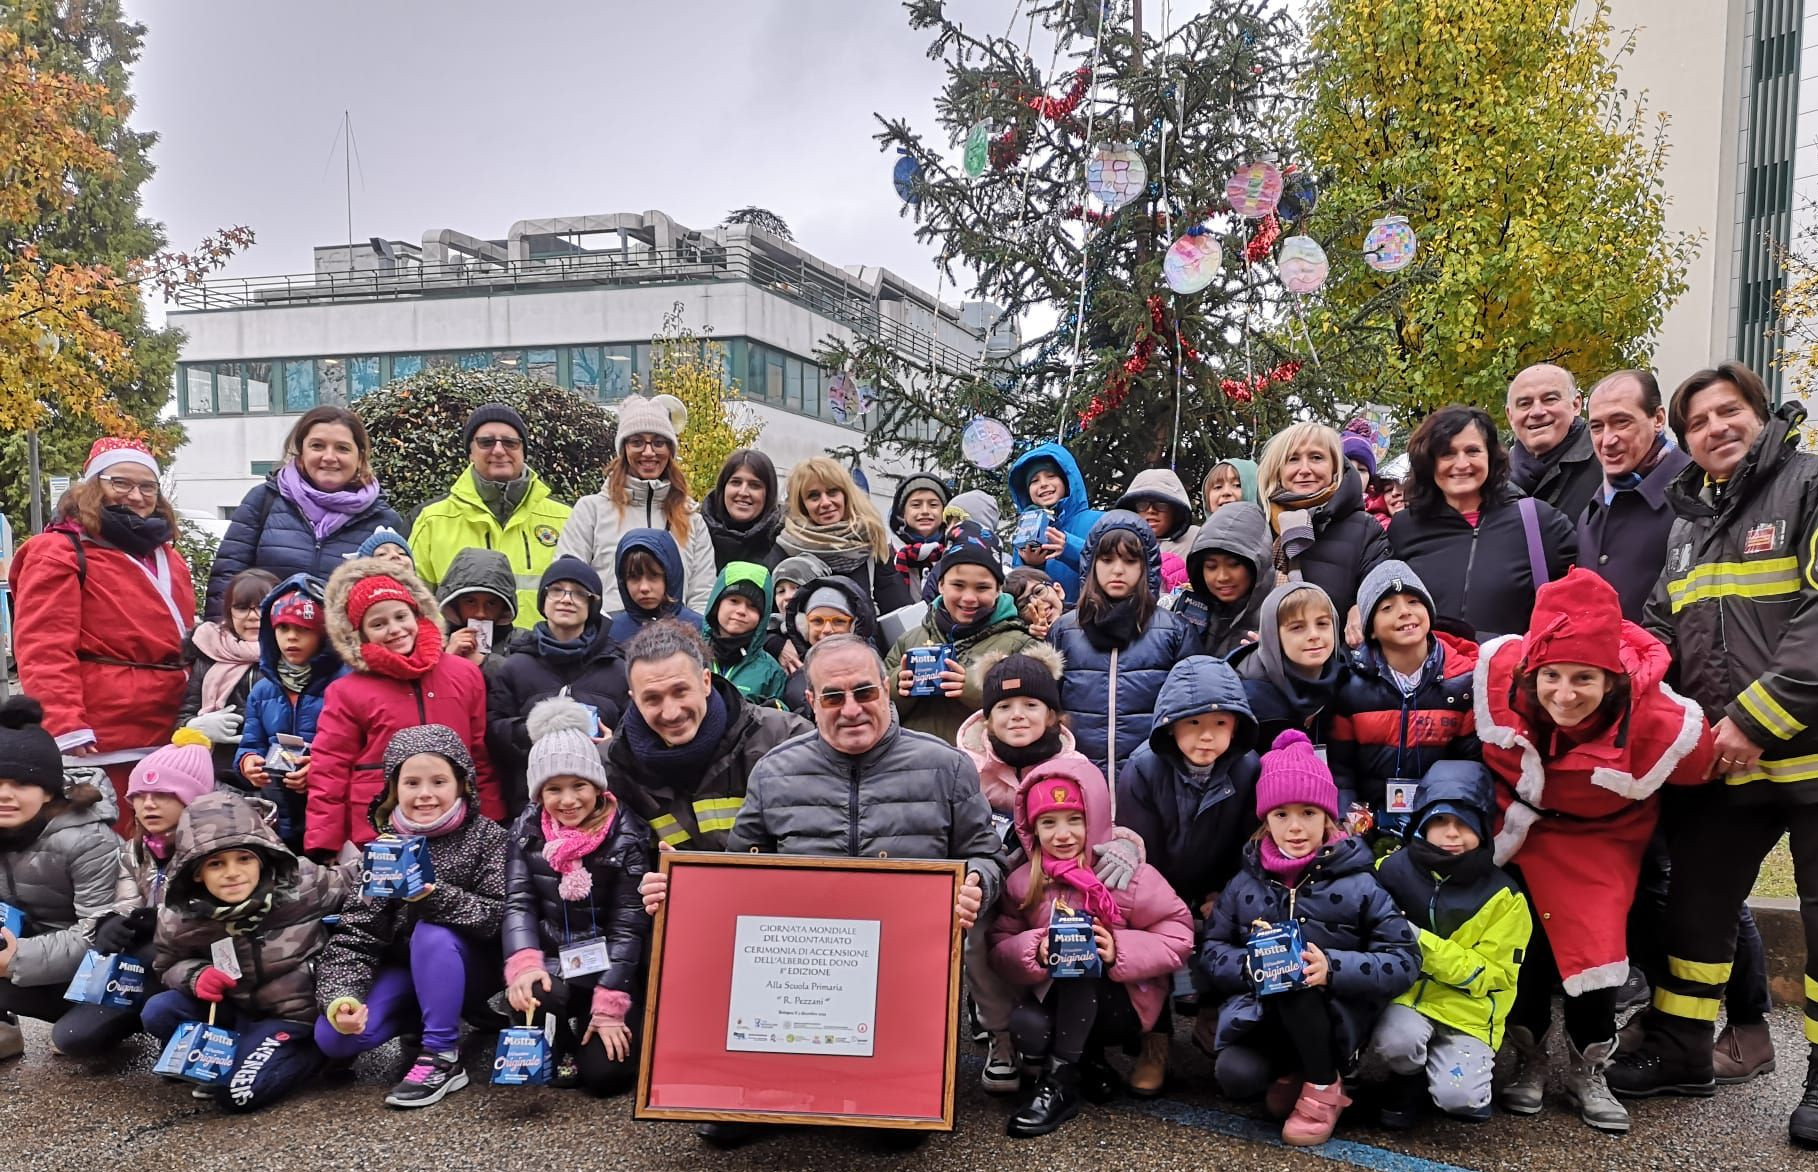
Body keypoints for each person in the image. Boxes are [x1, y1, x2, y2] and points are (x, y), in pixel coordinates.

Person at [639, 633, 1004, 1149]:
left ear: (886, 689)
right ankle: (753, 1091)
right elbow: (741, 872)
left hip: (902, 973)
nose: (851, 709)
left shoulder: (947, 765)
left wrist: (975, 885)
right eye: (833, 696)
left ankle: (885, 1090)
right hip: (799, 968)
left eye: (864, 693)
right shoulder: (776, 771)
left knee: (891, 1139)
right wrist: (684, 896)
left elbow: (987, 855)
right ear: (811, 702)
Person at [1616, 365, 1818, 1145]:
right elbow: (1663, 631)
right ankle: (1681, 1049)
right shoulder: (1688, 522)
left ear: (1761, 415)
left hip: (1803, 755)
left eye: (1729, 412)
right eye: (1698, 422)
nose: (1715, 430)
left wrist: (1753, 720)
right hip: (1725, 765)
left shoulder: (1808, 486)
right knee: (1697, 911)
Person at [1477, 569, 1714, 1134]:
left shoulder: (1656, 721)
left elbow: (1705, 760)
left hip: (1601, 841)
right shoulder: (1500, 685)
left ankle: (1589, 1067)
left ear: (1611, 680)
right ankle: (1530, 1056)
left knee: (1598, 952)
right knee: (1525, 942)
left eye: (1583, 677)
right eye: (1551, 676)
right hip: (1520, 830)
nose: (1564, 694)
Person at [1198, 730, 1419, 1147]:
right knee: (1235, 1076)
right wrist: (1247, 966)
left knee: (1298, 978)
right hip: (1265, 1017)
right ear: (1265, 821)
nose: (1295, 828)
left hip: (1336, 1018)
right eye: (1281, 815)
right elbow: (1210, 950)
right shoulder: (1245, 883)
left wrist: (1332, 968)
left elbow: (1404, 958)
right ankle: (1298, 1070)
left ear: (1328, 818)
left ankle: (1323, 1083)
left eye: (1308, 813)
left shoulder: (1361, 884)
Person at [989, 757, 1193, 1137]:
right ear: (1032, 828)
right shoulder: (1024, 882)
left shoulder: (1127, 876)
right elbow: (998, 944)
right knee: (1026, 1024)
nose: (1062, 834)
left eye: (1075, 820)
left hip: (1123, 1003)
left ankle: (1059, 1080)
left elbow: (1180, 934)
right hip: (1055, 999)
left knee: (1082, 963)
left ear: (1094, 820)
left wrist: (1117, 948)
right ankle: (1086, 1065)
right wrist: (1035, 949)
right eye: (1048, 823)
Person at [315, 725, 507, 1108]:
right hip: (406, 968)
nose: (425, 794)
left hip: (473, 965)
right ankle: (422, 1018)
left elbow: (500, 917)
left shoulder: (488, 837)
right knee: (334, 1038)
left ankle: (442, 1055)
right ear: (393, 789)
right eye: (411, 782)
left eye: (438, 781)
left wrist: (432, 897)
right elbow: (355, 934)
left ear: (462, 784)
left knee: (431, 933)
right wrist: (341, 999)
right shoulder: (382, 850)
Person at [9, 438, 197, 823]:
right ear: (93, 485)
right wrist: (65, 726)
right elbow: (43, 647)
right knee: (108, 841)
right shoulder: (58, 550)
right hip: (105, 730)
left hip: (170, 722)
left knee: (162, 842)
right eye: (120, 483)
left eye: (147, 487)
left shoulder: (168, 557)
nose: (135, 496)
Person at [143, 790, 354, 1112]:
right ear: (196, 872)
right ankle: (234, 1052)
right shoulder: (181, 915)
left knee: (236, 1094)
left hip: (295, 1018)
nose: (232, 872)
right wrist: (196, 975)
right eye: (216, 864)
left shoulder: (304, 883)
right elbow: (167, 963)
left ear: (264, 857)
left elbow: (357, 879)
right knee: (159, 1010)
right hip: (235, 1010)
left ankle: (314, 1056)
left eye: (244, 858)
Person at [955, 647, 1102, 1092]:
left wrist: (1126, 847)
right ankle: (1000, 1036)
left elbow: (1102, 827)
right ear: (986, 718)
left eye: (1031, 705)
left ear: (1053, 715)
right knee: (977, 943)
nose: (1017, 716)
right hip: (988, 880)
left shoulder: (1076, 768)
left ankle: (1054, 1034)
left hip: (1051, 885)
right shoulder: (966, 769)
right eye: (1004, 706)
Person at [1114, 655, 1262, 1088]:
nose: (1206, 737)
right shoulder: (1143, 767)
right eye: (1193, 723)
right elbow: (1141, 850)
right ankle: (1156, 1040)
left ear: (1237, 726)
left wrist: (1226, 893)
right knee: (1152, 940)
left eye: (1219, 724)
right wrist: (1169, 906)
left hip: (1220, 879)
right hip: (1160, 880)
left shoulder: (1248, 768)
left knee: (1235, 922)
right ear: (1169, 725)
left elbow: (1249, 846)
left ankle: (1212, 1017)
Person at [502, 696, 655, 1095]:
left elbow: (628, 925)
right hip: (557, 959)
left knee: (607, 1078)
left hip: (609, 965)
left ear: (597, 785)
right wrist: (524, 964)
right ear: (539, 794)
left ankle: (594, 1021)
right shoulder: (527, 828)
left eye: (578, 786)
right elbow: (519, 902)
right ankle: (557, 1035)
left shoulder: (627, 835)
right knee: (531, 989)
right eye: (553, 789)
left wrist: (609, 1004)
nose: (568, 801)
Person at [1369, 761, 1531, 1128]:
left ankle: (1452, 1078)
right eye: (1440, 821)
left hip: (1468, 1014)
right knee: (1396, 1041)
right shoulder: (1388, 870)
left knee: (1461, 1099)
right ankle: (1406, 1078)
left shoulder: (1505, 897)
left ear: (1484, 829)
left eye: (1465, 823)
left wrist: (1419, 943)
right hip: (1406, 1001)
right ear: (1421, 824)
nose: (1451, 834)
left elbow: (1496, 973)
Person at [305, 559, 501, 857]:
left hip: (456, 822)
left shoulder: (464, 674)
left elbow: (478, 754)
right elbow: (329, 770)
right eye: (378, 624)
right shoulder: (346, 691)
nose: (395, 630)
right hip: (378, 830)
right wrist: (324, 842)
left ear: (418, 614)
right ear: (361, 634)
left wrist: (493, 818)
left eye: (400, 616)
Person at [55, 730, 218, 1058]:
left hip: (201, 967)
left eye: (163, 794)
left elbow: (218, 921)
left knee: (157, 1003)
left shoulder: (217, 850)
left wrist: (158, 923)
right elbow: (124, 904)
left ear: (193, 799)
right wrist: (108, 924)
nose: (149, 805)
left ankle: (188, 1027)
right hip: (148, 964)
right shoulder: (135, 850)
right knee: (72, 1037)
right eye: (141, 795)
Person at [606, 621, 807, 853]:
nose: (671, 712)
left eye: (680, 691)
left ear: (705, 682)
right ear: (634, 698)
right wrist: (646, 882)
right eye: (652, 699)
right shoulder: (613, 767)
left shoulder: (784, 740)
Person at [1388, 405, 1577, 640]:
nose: (1461, 463)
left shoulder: (1539, 522)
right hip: (1428, 672)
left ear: (1491, 456)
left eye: (1473, 451)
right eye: (1447, 453)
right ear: (1430, 461)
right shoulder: (1404, 527)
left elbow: (1577, 605)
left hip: (1511, 671)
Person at [0, 698, 122, 1062]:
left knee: (77, 1040)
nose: (5, 795)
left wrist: (14, 959)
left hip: (103, 969)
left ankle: (111, 1021)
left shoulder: (87, 838)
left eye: (22, 783)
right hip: (34, 956)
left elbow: (98, 929)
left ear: (50, 790)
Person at [205, 406, 405, 621]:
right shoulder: (264, 501)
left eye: (342, 448)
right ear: (301, 451)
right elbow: (226, 579)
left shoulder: (382, 520)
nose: (329, 457)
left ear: (360, 457)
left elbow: (397, 597)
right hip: (266, 648)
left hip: (344, 651)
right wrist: (220, 638)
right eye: (317, 446)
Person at [1328, 561, 1479, 831]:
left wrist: (1447, 823)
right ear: (1371, 628)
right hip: (1369, 817)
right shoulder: (1352, 687)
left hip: (1440, 820)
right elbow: (1342, 772)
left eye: (1413, 601)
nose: (1405, 612)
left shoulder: (1462, 683)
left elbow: (1469, 768)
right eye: (1387, 608)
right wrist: (1351, 827)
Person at [1048, 512, 1198, 783]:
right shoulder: (1065, 630)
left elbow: (1189, 711)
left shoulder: (1174, 630)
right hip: (1079, 780)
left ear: (1146, 567)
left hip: (1152, 781)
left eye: (1130, 561)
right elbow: (1049, 708)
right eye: (1106, 560)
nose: (1117, 570)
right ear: (1091, 563)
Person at [488, 557, 629, 818]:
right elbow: (493, 731)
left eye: (578, 593)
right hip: (530, 808)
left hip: (600, 810)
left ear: (592, 604)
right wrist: (532, 731)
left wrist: (611, 745)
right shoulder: (515, 667)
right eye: (556, 590)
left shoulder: (617, 669)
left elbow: (634, 732)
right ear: (544, 600)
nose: (566, 599)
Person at [410, 402, 574, 624]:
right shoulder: (432, 520)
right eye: (486, 442)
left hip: (545, 656)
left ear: (523, 451)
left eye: (510, 442)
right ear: (470, 452)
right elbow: (412, 605)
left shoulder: (565, 519)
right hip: (461, 655)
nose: (498, 450)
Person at [559, 394, 715, 615]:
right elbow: (570, 580)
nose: (649, 452)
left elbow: (702, 594)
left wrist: (689, 640)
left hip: (675, 645)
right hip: (605, 645)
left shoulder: (692, 521)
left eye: (659, 442)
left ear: (670, 451)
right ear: (623, 449)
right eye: (637, 442)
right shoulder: (591, 511)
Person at [886, 524, 1035, 742]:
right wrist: (898, 684)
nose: (969, 598)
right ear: (940, 585)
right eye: (958, 585)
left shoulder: (1020, 644)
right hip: (911, 765)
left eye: (982, 588)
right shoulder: (909, 640)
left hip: (983, 767)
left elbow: (1032, 708)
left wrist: (971, 686)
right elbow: (875, 701)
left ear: (998, 589)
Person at [1578, 369, 1693, 622]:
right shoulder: (1591, 512)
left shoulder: (1697, 495)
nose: (1607, 440)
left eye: (1622, 422)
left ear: (1658, 419)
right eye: (1597, 427)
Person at [236, 577, 342, 850]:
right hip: (277, 810)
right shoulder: (262, 690)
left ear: (323, 633)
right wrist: (249, 763)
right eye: (283, 628)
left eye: (303, 629)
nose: (291, 637)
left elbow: (352, 749)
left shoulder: (342, 685)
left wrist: (318, 768)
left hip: (329, 811)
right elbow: (251, 742)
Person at [1256, 422, 1391, 624]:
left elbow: (1384, 596)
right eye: (1292, 459)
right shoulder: (1257, 527)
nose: (1304, 469)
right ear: (1277, 469)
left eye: (1316, 458)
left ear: (1335, 467)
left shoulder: (1365, 529)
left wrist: (1361, 608)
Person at [175, 568, 277, 784]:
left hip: (275, 774)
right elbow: (182, 719)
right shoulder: (209, 654)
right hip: (217, 775)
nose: (252, 616)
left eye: (261, 606)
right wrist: (196, 726)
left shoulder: (294, 656)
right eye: (241, 608)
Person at [774, 456, 910, 617]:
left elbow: (900, 615)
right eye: (813, 496)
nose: (825, 502)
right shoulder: (786, 549)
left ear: (846, 494)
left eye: (832, 492)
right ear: (802, 504)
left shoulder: (871, 543)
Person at [1230, 582, 1345, 749]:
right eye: (1297, 627)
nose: (1314, 635)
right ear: (1272, 636)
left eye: (1322, 624)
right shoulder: (1246, 696)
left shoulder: (1345, 679)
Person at [1007, 443, 1103, 605]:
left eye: (1051, 476)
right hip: (1046, 623)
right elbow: (1017, 591)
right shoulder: (1025, 532)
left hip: (1091, 619)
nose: (1043, 484)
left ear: (1067, 481)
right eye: (1034, 481)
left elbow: (1113, 565)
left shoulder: (1099, 521)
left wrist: (1069, 548)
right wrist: (1032, 565)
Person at [1506, 363, 1601, 522]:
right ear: (1510, 415)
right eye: (1525, 404)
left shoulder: (1607, 462)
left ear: (1576, 405)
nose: (1537, 412)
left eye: (1550, 399)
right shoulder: (1493, 478)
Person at [778, 574, 884, 716]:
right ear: (803, 626)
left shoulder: (874, 668)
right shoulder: (794, 682)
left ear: (855, 626)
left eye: (839, 621)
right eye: (817, 621)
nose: (827, 629)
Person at [1177, 501, 1271, 658]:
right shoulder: (1188, 612)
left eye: (1234, 565)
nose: (1222, 577)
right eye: (1211, 566)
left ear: (1258, 564)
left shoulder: (1282, 614)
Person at [702, 561, 788, 705]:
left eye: (752, 606)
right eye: (734, 601)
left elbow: (778, 721)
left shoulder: (770, 671)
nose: (741, 611)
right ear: (716, 605)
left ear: (763, 616)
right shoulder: (689, 654)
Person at [605, 528, 703, 646]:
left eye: (654, 576)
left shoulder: (698, 628)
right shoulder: (611, 633)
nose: (644, 588)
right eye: (634, 578)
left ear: (670, 577)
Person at [700, 448, 785, 571]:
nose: (743, 492)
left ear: (768, 494)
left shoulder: (782, 546)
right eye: (736, 482)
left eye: (755, 485)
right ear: (723, 488)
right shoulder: (696, 534)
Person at [434, 547, 518, 670]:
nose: (481, 613)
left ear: (504, 606)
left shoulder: (522, 643)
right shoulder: (432, 643)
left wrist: (485, 662)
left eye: (491, 603)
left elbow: (529, 683)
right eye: (470, 602)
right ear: (454, 604)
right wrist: (447, 658)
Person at [1115, 467, 1202, 566]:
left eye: (1161, 505)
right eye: (1142, 505)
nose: (1151, 510)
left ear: (1176, 511)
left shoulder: (1196, 540)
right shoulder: (1117, 544)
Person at [889, 471, 952, 597]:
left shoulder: (955, 553)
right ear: (902, 513)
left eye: (933, 505)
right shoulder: (887, 555)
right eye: (916, 505)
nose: (925, 511)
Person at [767, 552, 831, 673]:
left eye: (796, 587)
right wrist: (774, 644)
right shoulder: (771, 632)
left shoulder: (838, 626)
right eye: (781, 591)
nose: (787, 596)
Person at [1005, 567, 1064, 640]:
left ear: (1058, 590)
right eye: (1023, 605)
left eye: (1039, 591)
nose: (1035, 603)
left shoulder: (1081, 617)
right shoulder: (1024, 643)